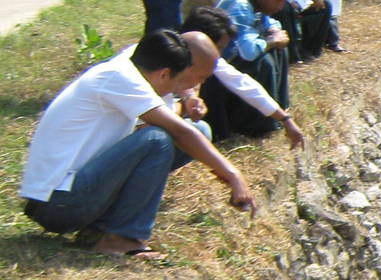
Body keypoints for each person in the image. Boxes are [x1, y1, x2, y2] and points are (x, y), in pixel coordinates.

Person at [19, 28, 255, 261]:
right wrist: (233, 174)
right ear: (163, 74)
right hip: (57, 204)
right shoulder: (120, 77)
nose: (174, 92)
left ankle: (100, 230)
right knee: (158, 140)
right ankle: (122, 237)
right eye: (176, 84)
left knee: (197, 131)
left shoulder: (130, 70)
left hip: (70, 195)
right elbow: (178, 132)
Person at [178, 6, 306, 148]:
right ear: (204, 42)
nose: (219, 54)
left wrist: (285, 119)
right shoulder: (167, 61)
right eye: (219, 47)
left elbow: (244, 85)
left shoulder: (211, 62)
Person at [213, 0, 294, 137]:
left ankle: (278, 108)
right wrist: (271, 41)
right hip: (218, 74)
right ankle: (254, 124)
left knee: (279, 49)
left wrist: (273, 31)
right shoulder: (239, 6)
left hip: (233, 64)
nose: (280, 6)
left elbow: (269, 23)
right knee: (264, 61)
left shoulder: (256, 4)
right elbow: (247, 52)